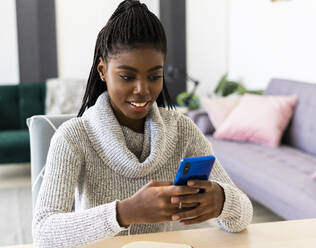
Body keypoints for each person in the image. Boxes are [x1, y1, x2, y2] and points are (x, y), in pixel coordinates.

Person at [32, 1, 253, 247]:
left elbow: (243, 217)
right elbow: (43, 232)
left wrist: (222, 200)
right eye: (127, 77)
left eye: (154, 76)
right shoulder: (74, 137)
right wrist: (124, 212)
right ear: (103, 70)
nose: (143, 90)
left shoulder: (182, 130)